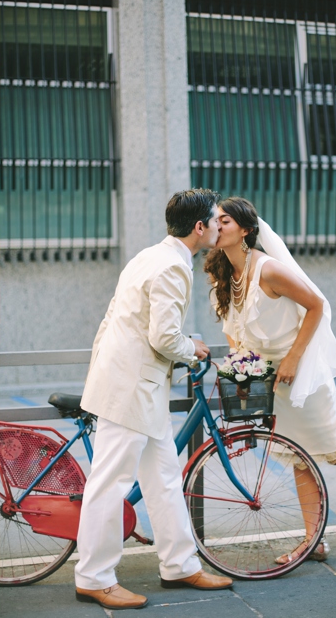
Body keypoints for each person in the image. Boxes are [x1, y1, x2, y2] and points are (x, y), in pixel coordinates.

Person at [204, 197, 336, 564]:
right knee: (296, 458)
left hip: (302, 373)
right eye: (215, 221)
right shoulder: (225, 275)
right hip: (271, 380)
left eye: (225, 221)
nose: (217, 226)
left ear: (246, 230)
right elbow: (236, 333)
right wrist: (241, 369)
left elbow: (316, 305)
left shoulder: (269, 270)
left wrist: (294, 358)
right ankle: (314, 542)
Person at [74, 189, 233, 611]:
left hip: (137, 387)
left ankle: (180, 566)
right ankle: (93, 577)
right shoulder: (171, 268)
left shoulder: (150, 256)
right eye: (215, 220)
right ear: (199, 228)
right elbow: (163, 337)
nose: (219, 225)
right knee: (110, 485)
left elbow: (113, 319)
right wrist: (194, 348)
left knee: (163, 478)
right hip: (131, 390)